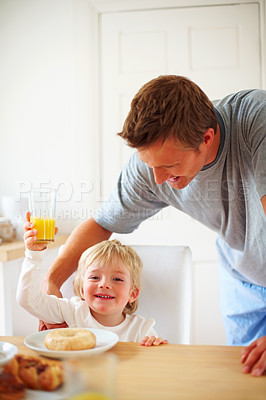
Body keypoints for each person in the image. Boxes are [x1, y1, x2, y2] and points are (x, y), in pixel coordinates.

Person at [27, 75, 265, 376]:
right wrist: (52, 282)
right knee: (250, 380)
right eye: (150, 166)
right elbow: (101, 224)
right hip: (242, 274)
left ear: (205, 139)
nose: (157, 180)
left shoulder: (257, 125)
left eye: (169, 166)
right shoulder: (150, 167)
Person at [17, 229, 168, 346]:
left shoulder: (141, 330)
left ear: (133, 294)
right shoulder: (71, 311)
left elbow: (157, 362)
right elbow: (27, 299)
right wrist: (33, 255)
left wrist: (156, 346)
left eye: (117, 279)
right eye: (95, 277)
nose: (104, 284)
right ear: (82, 289)